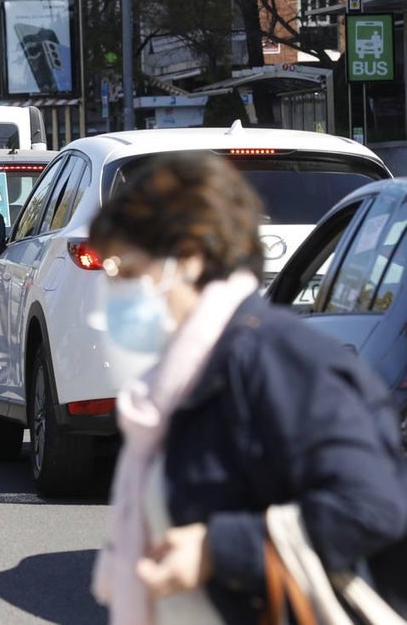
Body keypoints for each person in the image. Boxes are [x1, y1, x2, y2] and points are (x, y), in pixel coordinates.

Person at [87, 151, 407, 625]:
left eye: (126, 270)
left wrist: (217, 549)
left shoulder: (274, 360)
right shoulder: (181, 378)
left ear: (189, 258)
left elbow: (371, 506)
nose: (114, 289)